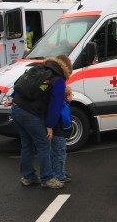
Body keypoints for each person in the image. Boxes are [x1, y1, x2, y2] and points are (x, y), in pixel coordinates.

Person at [9, 55, 72, 189]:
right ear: (66, 68)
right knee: (44, 144)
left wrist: (13, 98)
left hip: (16, 108)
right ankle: (47, 178)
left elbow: (21, 84)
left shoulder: (39, 68)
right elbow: (56, 105)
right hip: (30, 113)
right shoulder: (58, 80)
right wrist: (50, 125)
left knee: (26, 144)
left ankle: (28, 177)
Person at [51, 85, 72, 183]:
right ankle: (60, 175)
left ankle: (59, 172)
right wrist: (68, 129)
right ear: (67, 96)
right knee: (61, 154)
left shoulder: (57, 104)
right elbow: (66, 120)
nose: (72, 96)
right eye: (72, 94)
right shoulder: (64, 106)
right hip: (59, 133)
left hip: (54, 132)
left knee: (54, 153)